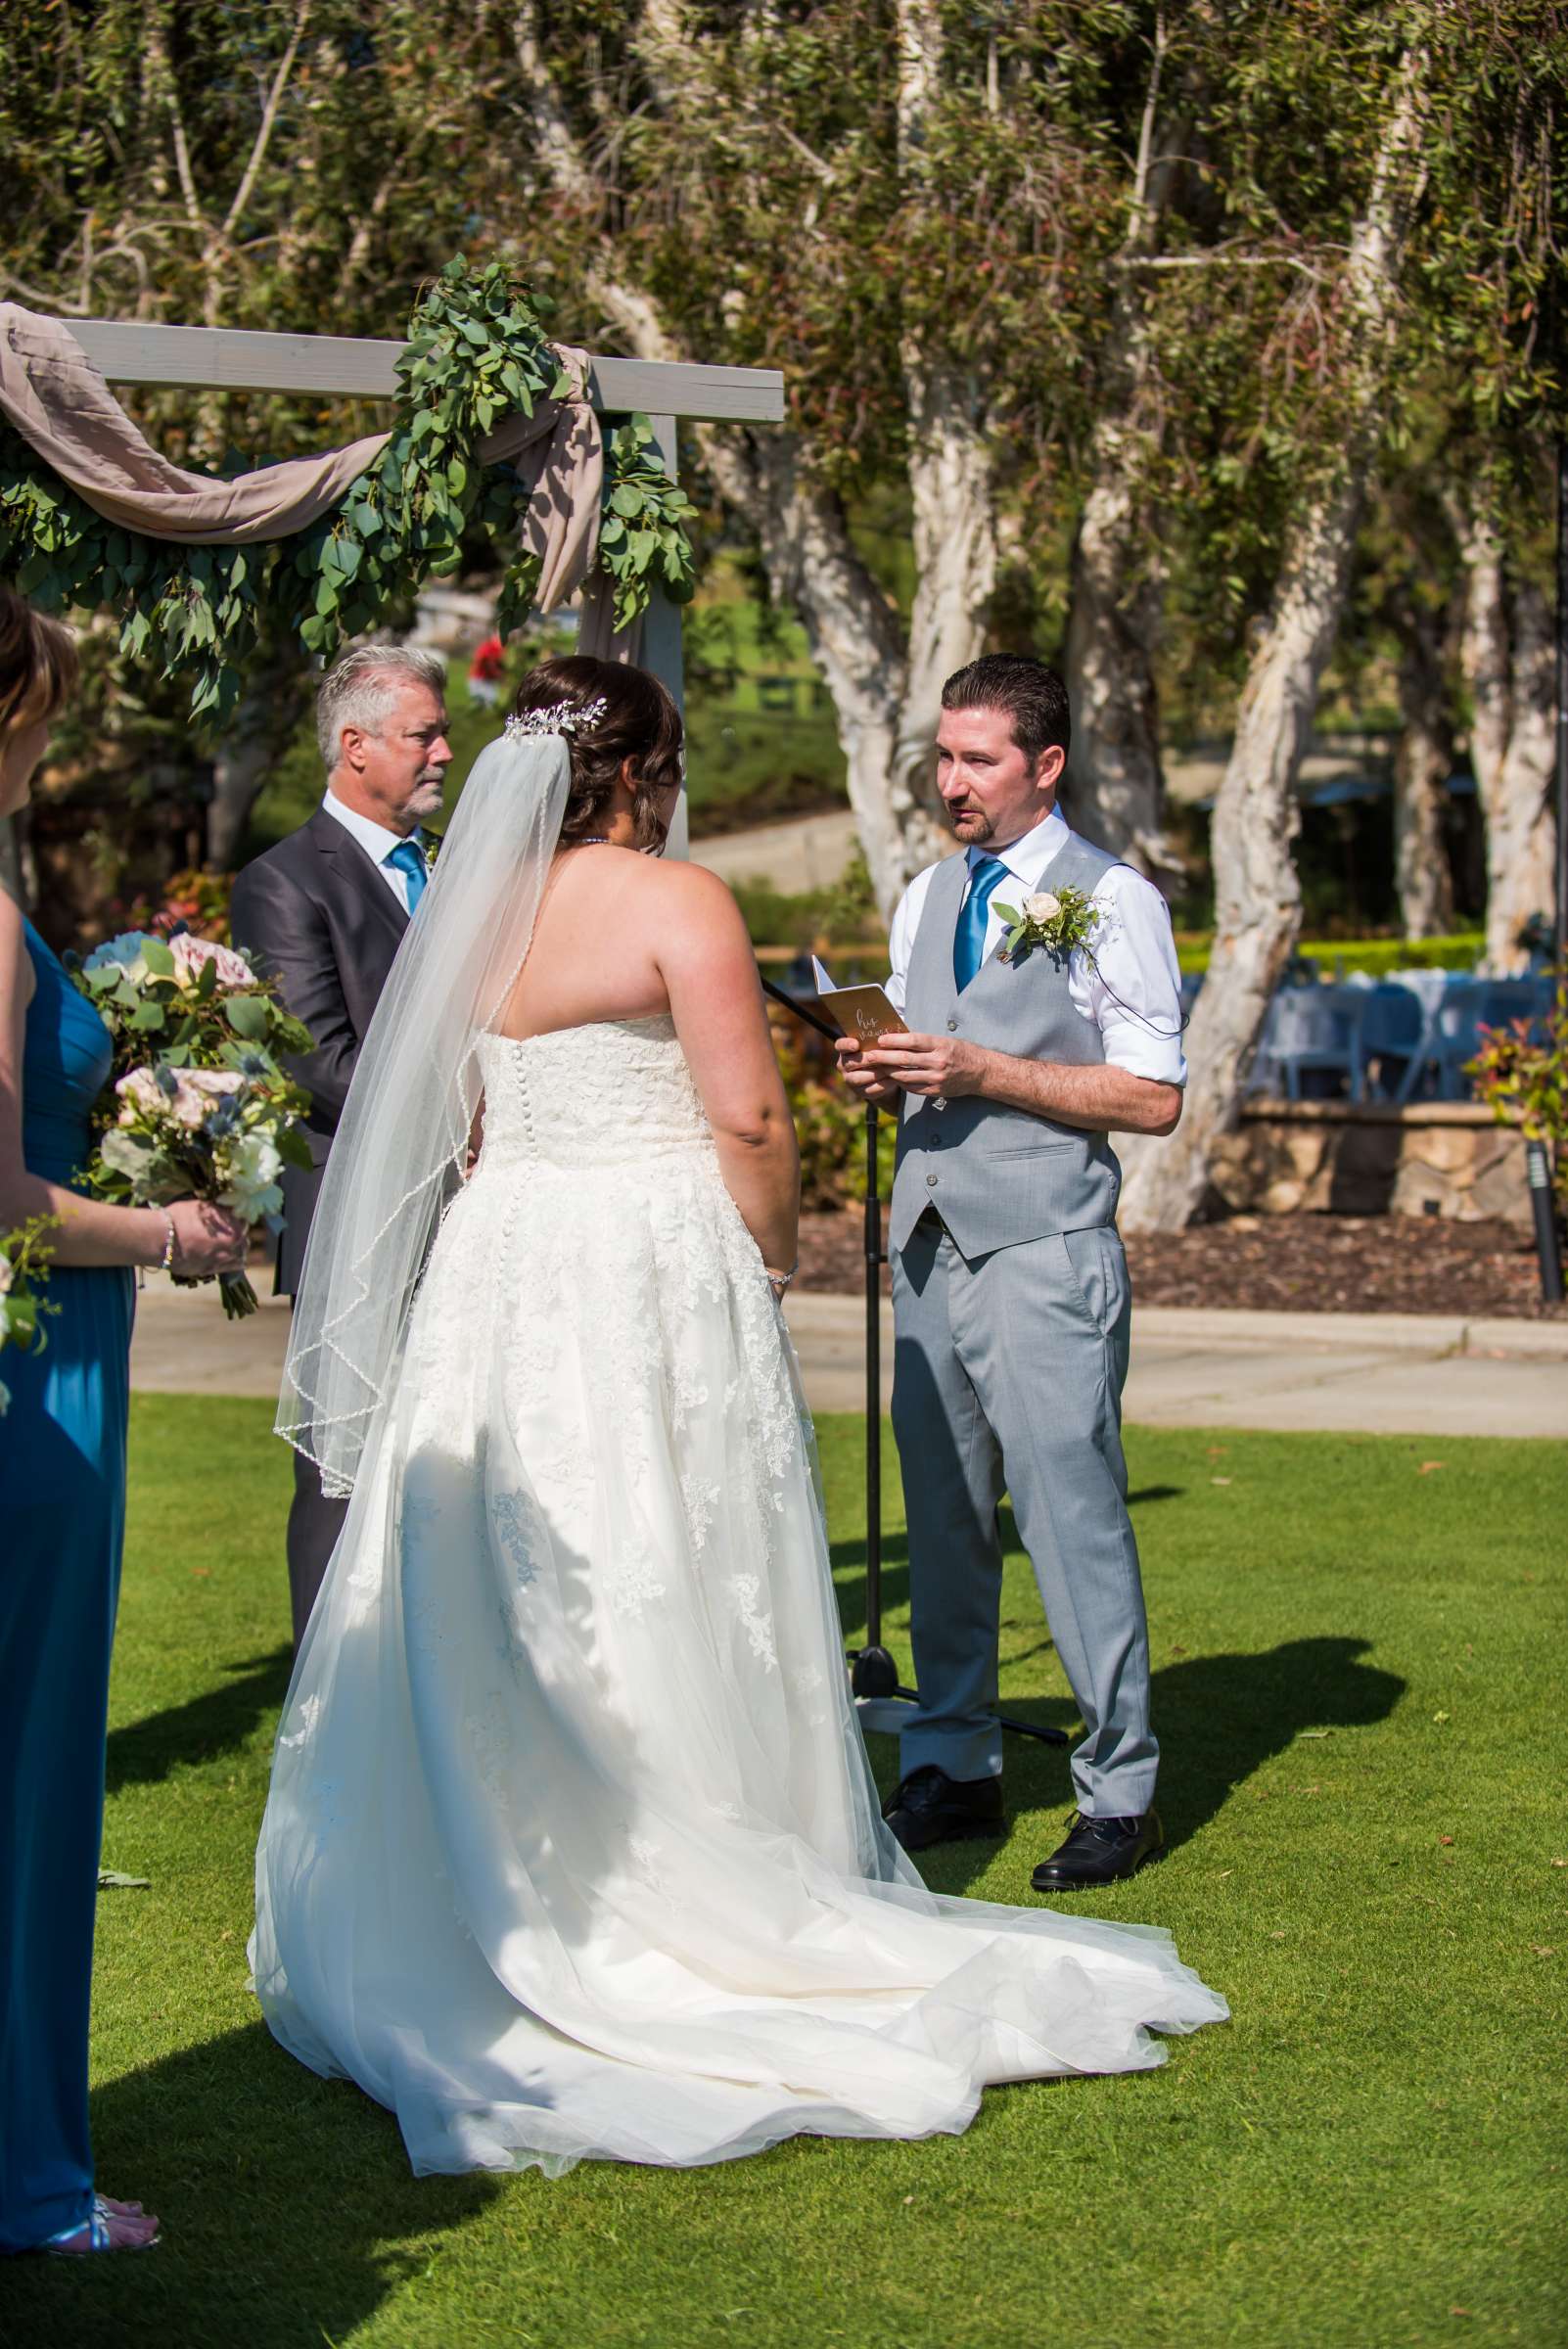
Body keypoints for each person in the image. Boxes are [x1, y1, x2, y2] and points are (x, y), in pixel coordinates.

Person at [251, 653, 1225, 2180]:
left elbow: (470, 1108)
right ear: (644, 768)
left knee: (506, 1558)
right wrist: (759, 1249)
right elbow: (749, 1114)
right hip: (640, 1254)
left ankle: (489, 1877)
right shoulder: (678, 902)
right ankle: (706, 1859)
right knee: (666, 1532)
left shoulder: (469, 906)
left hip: (505, 1260)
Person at [837, 653, 1185, 1892]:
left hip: (1045, 1247)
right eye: (943, 757)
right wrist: (878, 1068)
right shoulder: (929, 896)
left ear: (1046, 766)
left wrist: (984, 1072)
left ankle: (1121, 1785)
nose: (952, 783)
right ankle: (954, 1762)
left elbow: (1151, 1097)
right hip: (927, 1248)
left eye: (978, 760)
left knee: (1069, 1517)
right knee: (942, 1524)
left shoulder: (1115, 897)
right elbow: (928, 1052)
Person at [0, 586, 248, 2257]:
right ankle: (30, 2189)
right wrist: (168, 1231)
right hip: (31, 1380)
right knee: (24, 1781)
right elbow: (6, 1207)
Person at [230, 644, 453, 1652]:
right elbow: (319, 1060)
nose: (446, 751)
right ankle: (328, 1692)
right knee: (342, 1466)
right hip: (357, 1218)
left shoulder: (455, 865)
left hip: (475, 1214)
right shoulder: (282, 882)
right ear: (354, 745)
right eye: (425, 735)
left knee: (453, 1455)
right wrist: (475, 1120)